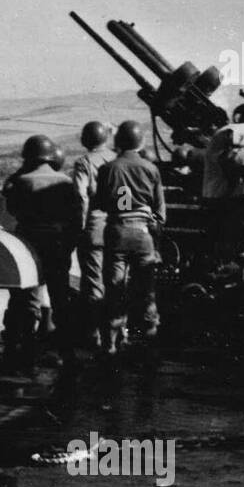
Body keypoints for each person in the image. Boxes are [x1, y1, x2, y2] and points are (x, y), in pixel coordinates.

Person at [1, 134, 82, 372]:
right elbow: (76, 219)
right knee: (60, 300)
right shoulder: (66, 181)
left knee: (26, 301)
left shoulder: (23, 181)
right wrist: (67, 247)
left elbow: (11, 207)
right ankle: (68, 355)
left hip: (29, 245)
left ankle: (25, 355)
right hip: (58, 246)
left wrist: (18, 173)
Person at [93, 121, 166, 355]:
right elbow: (160, 211)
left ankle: (111, 343)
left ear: (118, 142)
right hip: (143, 233)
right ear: (140, 142)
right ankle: (149, 339)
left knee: (114, 287)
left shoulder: (108, 169)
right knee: (146, 289)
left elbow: (101, 204)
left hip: (117, 231)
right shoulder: (151, 169)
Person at [70, 121, 115, 348]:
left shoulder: (84, 162)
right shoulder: (117, 160)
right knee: (116, 283)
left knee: (93, 283)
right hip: (116, 228)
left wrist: (80, 226)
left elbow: (81, 196)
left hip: (94, 228)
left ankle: (94, 336)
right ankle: (115, 337)